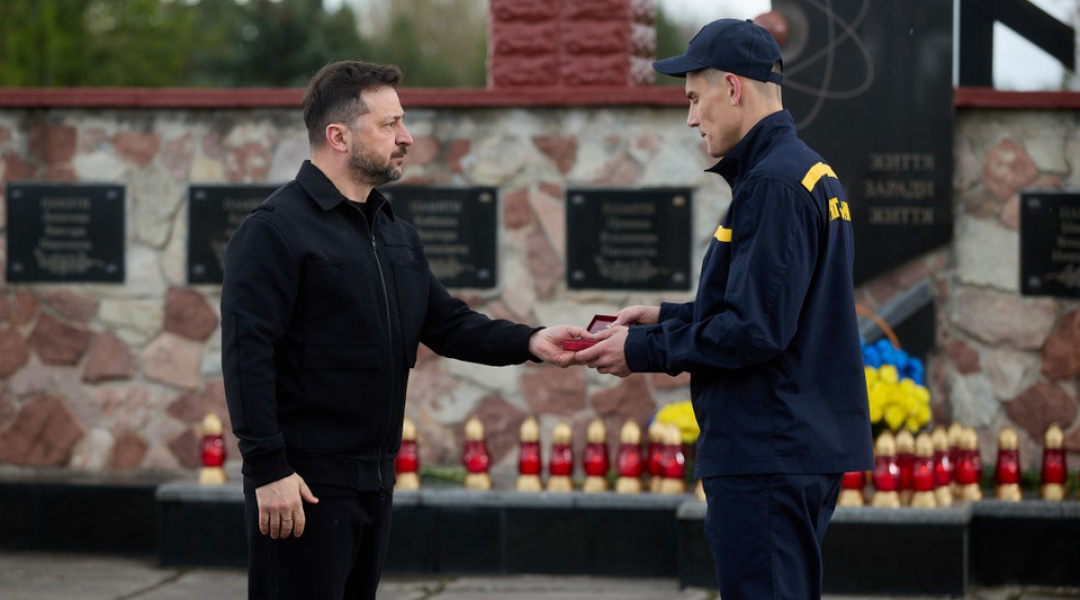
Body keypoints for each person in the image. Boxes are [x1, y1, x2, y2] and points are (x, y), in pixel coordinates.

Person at [221, 60, 588, 600]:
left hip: (374, 484)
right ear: (339, 136)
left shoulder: (394, 233)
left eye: (402, 122)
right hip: (302, 487)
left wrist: (531, 340)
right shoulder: (273, 231)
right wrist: (269, 470)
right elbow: (245, 356)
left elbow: (446, 323)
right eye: (389, 124)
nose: (406, 137)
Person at [576, 19, 874, 600]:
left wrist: (641, 350)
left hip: (767, 449)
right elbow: (770, 308)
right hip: (788, 444)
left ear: (732, 88)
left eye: (694, 98)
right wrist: (665, 317)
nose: (691, 118)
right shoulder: (806, 172)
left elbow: (754, 330)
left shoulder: (773, 184)